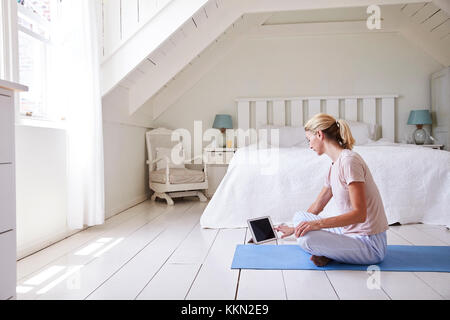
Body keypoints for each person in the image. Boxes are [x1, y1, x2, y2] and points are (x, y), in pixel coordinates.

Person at [275, 113, 389, 267]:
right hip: (349, 233)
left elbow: (360, 214)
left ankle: (331, 252)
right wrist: (295, 229)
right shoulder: (334, 166)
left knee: (307, 239)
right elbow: (317, 206)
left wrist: (316, 225)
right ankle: (332, 252)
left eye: (309, 140)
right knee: (300, 217)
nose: (309, 146)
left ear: (319, 134)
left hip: (369, 244)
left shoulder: (349, 161)